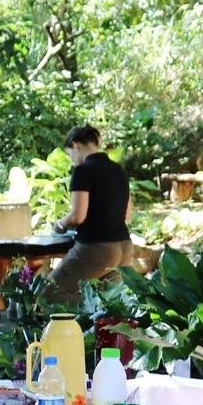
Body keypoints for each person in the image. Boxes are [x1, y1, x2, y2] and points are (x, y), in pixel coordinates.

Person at [49, 125, 134, 299]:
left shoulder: (83, 170)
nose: (72, 160)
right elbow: (127, 215)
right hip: (124, 248)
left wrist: (59, 225)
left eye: (69, 154)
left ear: (75, 145)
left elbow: (77, 216)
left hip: (97, 249)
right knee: (106, 303)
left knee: (46, 297)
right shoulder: (118, 170)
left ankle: (85, 310)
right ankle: (91, 311)